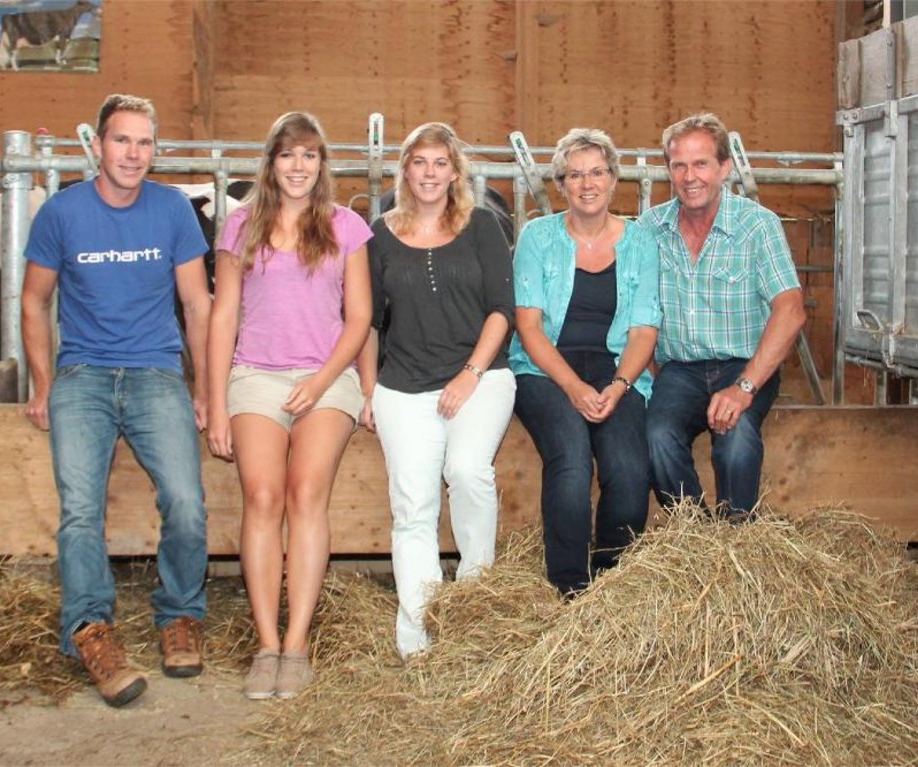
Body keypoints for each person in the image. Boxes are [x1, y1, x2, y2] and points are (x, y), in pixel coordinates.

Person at [21, 93, 212, 708]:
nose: (133, 153)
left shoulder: (173, 210)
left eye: (144, 142)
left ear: (154, 151)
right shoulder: (61, 213)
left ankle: (179, 612)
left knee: (185, 500)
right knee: (80, 509)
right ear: (98, 146)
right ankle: (90, 630)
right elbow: (33, 300)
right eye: (122, 140)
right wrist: (44, 383)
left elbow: (197, 304)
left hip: (157, 372)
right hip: (84, 375)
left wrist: (205, 388)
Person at [206, 112, 372, 699]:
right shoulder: (241, 226)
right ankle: (266, 644)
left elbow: (359, 320)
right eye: (287, 155)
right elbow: (223, 315)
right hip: (255, 374)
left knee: (305, 492)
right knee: (262, 494)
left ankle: (297, 646)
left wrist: (323, 380)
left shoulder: (347, 226)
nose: (298, 166)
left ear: (322, 164)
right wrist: (215, 399)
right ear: (270, 163)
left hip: (327, 378)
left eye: (309, 155)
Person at [357, 122, 515, 659]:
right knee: (413, 503)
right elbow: (368, 320)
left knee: (468, 472)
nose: (429, 173)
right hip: (402, 385)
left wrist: (469, 374)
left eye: (439, 163)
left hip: (481, 377)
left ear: (455, 171)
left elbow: (502, 310)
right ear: (405, 170)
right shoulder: (378, 233)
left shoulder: (483, 227)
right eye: (419, 162)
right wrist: (367, 387)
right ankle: (417, 633)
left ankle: (475, 604)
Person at [509, 127, 661, 598]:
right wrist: (574, 388)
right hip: (546, 371)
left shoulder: (640, 242)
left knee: (631, 470)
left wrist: (618, 386)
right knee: (571, 462)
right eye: (575, 175)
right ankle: (570, 588)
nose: (587, 183)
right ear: (561, 185)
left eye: (597, 172)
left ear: (615, 180)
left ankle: (611, 582)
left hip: (617, 369)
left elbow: (643, 332)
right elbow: (530, 328)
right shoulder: (537, 237)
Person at [638, 113, 805, 520]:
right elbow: (636, 310)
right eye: (679, 165)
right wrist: (654, 374)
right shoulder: (648, 228)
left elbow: (791, 310)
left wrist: (745, 386)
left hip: (742, 363)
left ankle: (737, 536)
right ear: (668, 171)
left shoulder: (757, 225)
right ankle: (694, 536)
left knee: (736, 437)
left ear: (724, 168)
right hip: (679, 369)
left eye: (701, 164)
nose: (689, 176)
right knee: (654, 434)